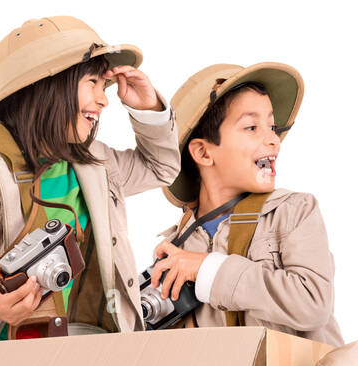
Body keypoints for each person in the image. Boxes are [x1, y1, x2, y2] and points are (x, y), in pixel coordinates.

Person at [0, 16, 180, 346]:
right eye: (92, 83)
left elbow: (161, 168)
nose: (104, 99)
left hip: (82, 349)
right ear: (47, 85)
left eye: (104, 86)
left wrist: (148, 110)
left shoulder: (94, 162)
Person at [146, 63, 344, 345]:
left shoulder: (292, 212)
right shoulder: (177, 250)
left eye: (272, 127)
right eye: (251, 127)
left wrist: (208, 269)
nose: (273, 139)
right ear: (203, 152)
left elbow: (313, 303)